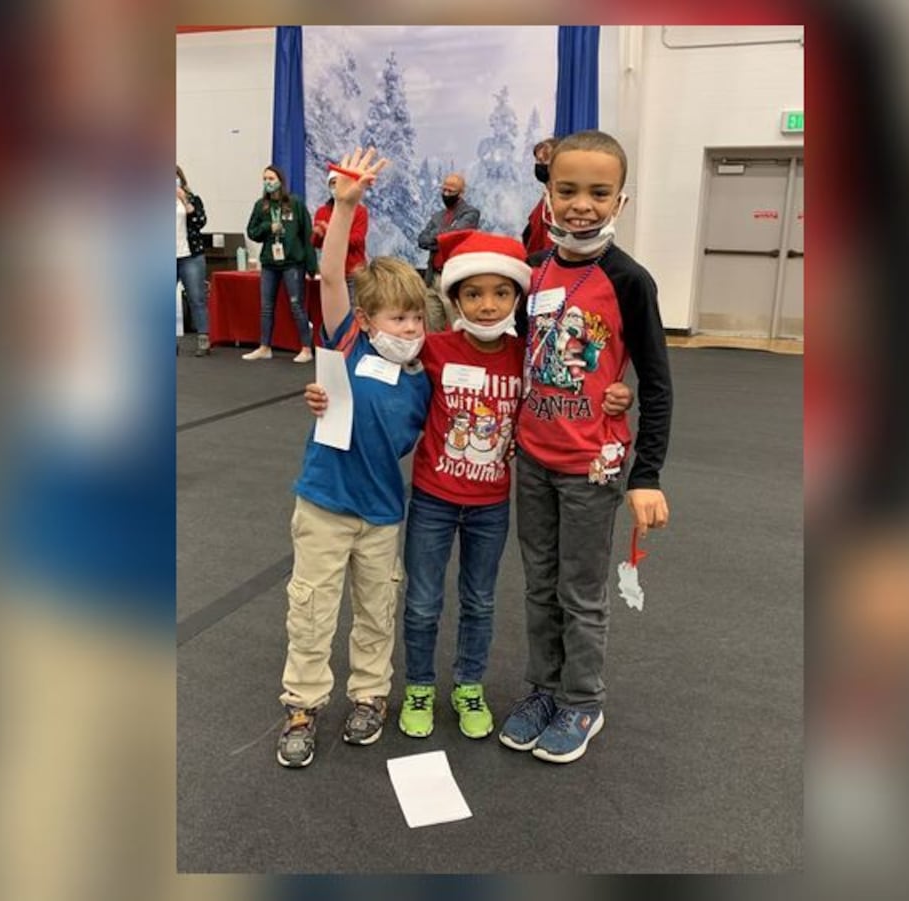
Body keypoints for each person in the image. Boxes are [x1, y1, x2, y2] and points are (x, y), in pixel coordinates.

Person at [306, 231, 634, 742]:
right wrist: (328, 392)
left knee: (480, 600)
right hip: (433, 502)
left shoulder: (527, 356)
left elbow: (572, 383)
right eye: (474, 294)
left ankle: (468, 686)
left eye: (501, 294)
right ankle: (418, 685)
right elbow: (365, 363)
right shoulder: (432, 350)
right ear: (455, 299)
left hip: (489, 506)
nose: (487, 305)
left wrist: (614, 393)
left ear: (517, 299)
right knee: (421, 601)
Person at [499, 129, 674, 764]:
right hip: (535, 460)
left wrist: (645, 473)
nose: (582, 204)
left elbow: (655, 383)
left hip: (591, 468)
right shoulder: (535, 271)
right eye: (567, 189)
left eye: (598, 193)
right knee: (538, 583)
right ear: (547, 193)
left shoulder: (629, 280)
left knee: (581, 589)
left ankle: (582, 700)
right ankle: (543, 688)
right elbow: (517, 355)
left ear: (620, 201)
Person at [274, 148, 430, 768]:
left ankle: (370, 694)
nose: (410, 328)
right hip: (324, 504)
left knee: (376, 608)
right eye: (398, 318)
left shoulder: (425, 371)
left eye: (417, 318)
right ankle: (303, 703)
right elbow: (333, 276)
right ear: (367, 321)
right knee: (311, 607)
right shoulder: (347, 342)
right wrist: (344, 206)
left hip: (382, 513)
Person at [244, 164, 315, 363]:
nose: (268, 182)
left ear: (280, 181)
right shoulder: (261, 206)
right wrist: (268, 227)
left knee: (296, 305)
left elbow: (307, 235)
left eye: (271, 178)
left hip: (292, 262)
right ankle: (265, 346)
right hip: (269, 263)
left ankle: (306, 348)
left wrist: (311, 266)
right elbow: (252, 232)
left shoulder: (295, 203)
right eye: (265, 179)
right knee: (266, 306)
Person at [416, 172, 480, 333]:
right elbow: (422, 240)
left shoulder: (471, 213)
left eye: (451, 191)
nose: (446, 194)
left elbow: (454, 236)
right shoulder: (437, 216)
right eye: (444, 190)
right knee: (432, 326)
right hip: (433, 277)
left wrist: (440, 236)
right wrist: (441, 237)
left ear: (461, 193)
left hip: (453, 277)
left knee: (456, 326)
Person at [312, 169, 368, 299]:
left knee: (354, 310)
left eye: (339, 182)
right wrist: (317, 235)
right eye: (332, 183)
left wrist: (330, 232)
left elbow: (357, 240)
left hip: (353, 271)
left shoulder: (360, 211)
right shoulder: (322, 212)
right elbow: (317, 244)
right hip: (331, 272)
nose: (335, 187)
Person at [176, 166, 211, 356]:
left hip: (190, 255)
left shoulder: (192, 199)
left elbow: (200, 221)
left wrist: (186, 202)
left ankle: (203, 337)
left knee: (197, 297)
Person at [521, 138, 557, 257]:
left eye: (544, 160)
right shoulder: (545, 199)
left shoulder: (560, 202)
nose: (539, 165)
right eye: (538, 160)